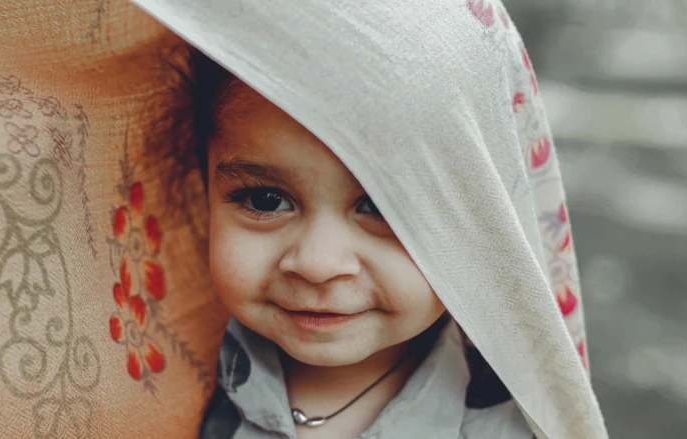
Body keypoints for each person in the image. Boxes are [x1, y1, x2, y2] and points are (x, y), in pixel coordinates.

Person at [139, 0, 608, 437]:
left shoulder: (501, 422)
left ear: (480, 220)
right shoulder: (158, 359)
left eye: (383, 208)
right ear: (200, 181)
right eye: (264, 199)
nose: (318, 263)